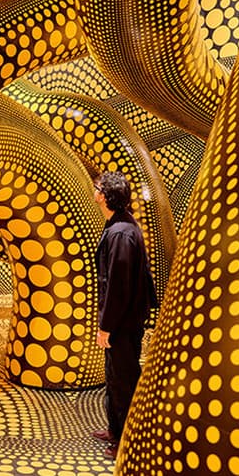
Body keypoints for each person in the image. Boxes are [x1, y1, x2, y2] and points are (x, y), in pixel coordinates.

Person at [91, 171, 157, 460]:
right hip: (125, 320)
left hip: (123, 323)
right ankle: (116, 430)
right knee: (115, 376)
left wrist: (106, 326)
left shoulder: (120, 232)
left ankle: (127, 440)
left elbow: (118, 285)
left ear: (105, 196)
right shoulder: (122, 225)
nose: (95, 191)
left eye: (97, 187)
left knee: (124, 380)